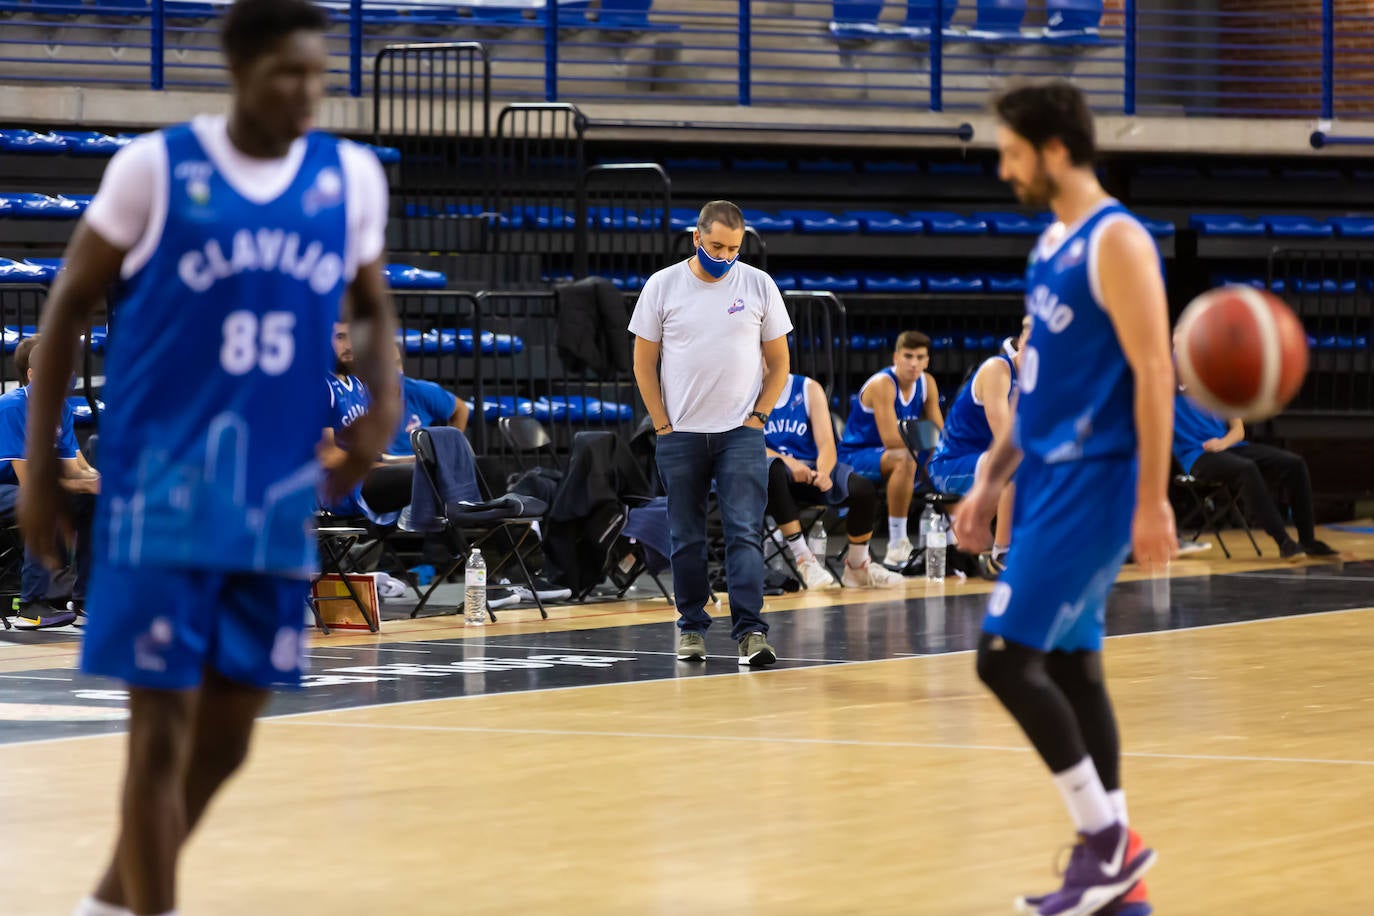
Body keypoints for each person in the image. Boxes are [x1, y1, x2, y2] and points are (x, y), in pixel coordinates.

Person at [19, 4, 400, 916]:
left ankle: (109, 902)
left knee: (230, 735)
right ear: (235, 68)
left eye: (318, 75)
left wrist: (380, 413)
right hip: (163, 491)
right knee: (158, 735)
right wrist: (40, 465)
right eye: (287, 76)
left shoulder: (346, 179)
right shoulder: (154, 170)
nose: (308, 93)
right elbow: (67, 308)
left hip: (272, 496)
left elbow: (373, 303)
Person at [954, 82, 1173, 916]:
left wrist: (1152, 499)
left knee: (1005, 659)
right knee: (1076, 666)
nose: (1003, 169)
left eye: (1011, 152)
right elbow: (1039, 388)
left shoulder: (1117, 241)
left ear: (1052, 150)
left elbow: (1155, 372)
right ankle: (1120, 889)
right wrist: (989, 478)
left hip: (1097, 479)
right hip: (1045, 474)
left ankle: (1107, 843)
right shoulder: (1050, 242)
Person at [630, 199, 792, 667]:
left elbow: (780, 363)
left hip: (741, 433)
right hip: (680, 433)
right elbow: (643, 363)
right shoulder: (662, 285)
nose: (723, 256)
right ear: (696, 238)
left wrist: (759, 416)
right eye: (716, 246)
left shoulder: (759, 285)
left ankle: (751, 634)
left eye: (733, 249)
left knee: (744, 532)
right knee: (686, 537)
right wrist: (661, 423)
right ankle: (691, 628)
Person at [763, 372, 904, 589]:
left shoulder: (807, 388)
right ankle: (804, 559)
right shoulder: (745, 390)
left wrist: (824, 472)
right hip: (771, 473)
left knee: (862, 489)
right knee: (773, 470)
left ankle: (858, 566)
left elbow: (827, 443)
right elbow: (747, 442)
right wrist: (789, 462)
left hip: (811, 470)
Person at [0, 336, 99, 629]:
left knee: (91, 498)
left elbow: (72, 468)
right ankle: (30, 606)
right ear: (32, 374)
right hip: (14, 485)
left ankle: (83, 601)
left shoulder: (61, 409)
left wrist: (97, 481)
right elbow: (30, 483)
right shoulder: (11, 407)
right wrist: (82, 484)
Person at [1173, 381, 1335, 559]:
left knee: (1294, 463)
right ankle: (1284, 542)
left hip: (1227, 446)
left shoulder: (1215, 376)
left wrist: (1223, 443)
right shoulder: (1164, 379)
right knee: (1246, 469)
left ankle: (1308, 541)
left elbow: (1238, 430)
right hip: (1196, 455)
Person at [928, 318, 1030, 575]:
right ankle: (1001, 556)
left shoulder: (1038, 381)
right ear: (1021, 343)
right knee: (1014, 465)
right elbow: (1005, 437)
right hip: (950, 465)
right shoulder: (998, 369)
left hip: (985, 462)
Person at [837, 330, 943, 567]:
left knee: (945, 458)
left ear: (927, 361)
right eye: (908, 356)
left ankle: (954, 538)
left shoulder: (928, 383)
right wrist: (927, 436)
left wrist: (935, 449)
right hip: (856, 455)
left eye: (920, 357)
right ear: (896, 357)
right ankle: (897, 543)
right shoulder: (883, 384)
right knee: (904, 458)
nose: (914, 363)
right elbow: (891, 440)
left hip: (897, 452)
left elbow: (940, 434)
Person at [322, 322, 409, 524]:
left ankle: (461, 550)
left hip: (363, 477)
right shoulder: (320, 387)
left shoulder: (357, 385)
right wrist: (377, 466)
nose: (350, 345)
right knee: (425, 481)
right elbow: (327, 456)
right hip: (340, 488)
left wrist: (404, 460)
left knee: (432, 468)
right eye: (341, 337)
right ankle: (452, 552)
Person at [388, 341, 468, 457]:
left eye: (397, 363)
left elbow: (461, 409)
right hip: (377, 470)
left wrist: (448, 451)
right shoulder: (359, 396)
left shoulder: (420, 391)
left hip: (418, 470)